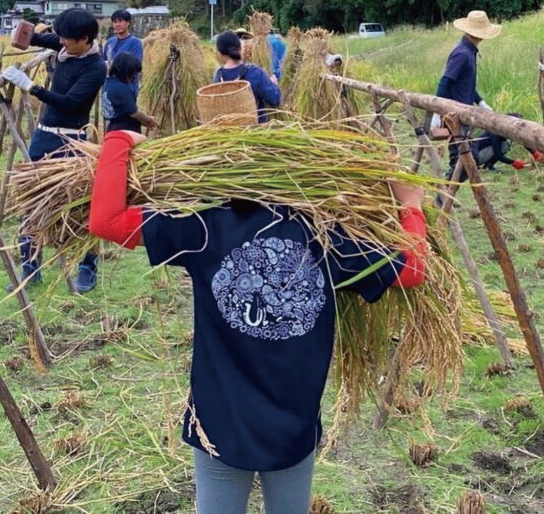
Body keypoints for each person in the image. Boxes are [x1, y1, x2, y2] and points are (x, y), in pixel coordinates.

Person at [86, 128, 428, 514]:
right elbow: (413, 269)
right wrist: (411, 206)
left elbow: (106, 220)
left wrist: (120, 139)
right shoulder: (328, 237)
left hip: (219, 425)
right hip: (291, 427)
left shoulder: (205, 227)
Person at [2, 8, 105, 293]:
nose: (62, 43)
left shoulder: (96, 67)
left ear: (85, 40)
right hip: (44, 138)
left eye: (68, 39)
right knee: (31, 202)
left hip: (72, 142)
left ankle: (87, 266)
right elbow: (37, 39)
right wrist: (22, 33)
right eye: (61, 38)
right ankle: (30, 267)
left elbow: (70, 102)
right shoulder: (65, 46)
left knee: (81, 204)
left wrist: (30, 87)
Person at [430, 10, 501, 178]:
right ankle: (444, 195)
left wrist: (481, 102)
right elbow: (445, 82)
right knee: (463, 160)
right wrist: (435, 111)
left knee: (467, 159)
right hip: (455, 115)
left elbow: (465, 85)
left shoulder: (469, 52)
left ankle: (445, 195)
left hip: (463, 112)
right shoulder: (462, 54)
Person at [213, 31, 280, 124]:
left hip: (229, 133)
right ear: (240, 48)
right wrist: (273, 84)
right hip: (254, 133)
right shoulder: (255, 72)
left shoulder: (218, 76)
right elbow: (275, 100)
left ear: (220, 53)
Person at [103, 52, 157, 134]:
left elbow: (123, 112)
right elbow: (134, 113)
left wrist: (144, 122)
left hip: (113, 128)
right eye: (133, 73)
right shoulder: (121, 88)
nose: (134, 76)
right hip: (125, 132)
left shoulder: (109, 84)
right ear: (126, 71)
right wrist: (148, 120)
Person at [472, 114, 544, 171]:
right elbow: (498, 155)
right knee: (504, 146)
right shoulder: (496, 131)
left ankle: (489, 165)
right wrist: (513, 162)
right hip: (476, 157)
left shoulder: (505, 129)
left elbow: (520, 138)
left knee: (505, 145)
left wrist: (533, 152)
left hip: (481, 153)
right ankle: (488, 165)